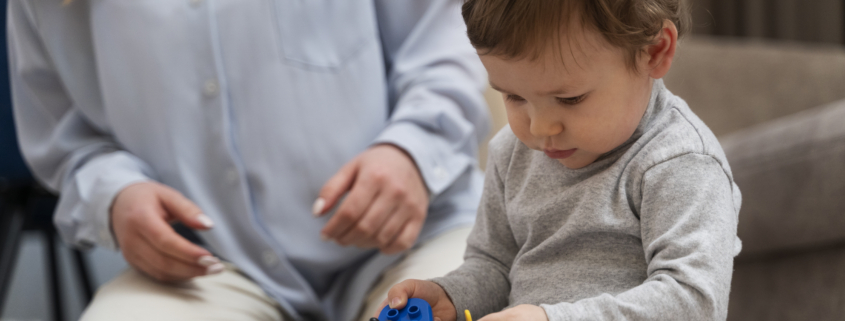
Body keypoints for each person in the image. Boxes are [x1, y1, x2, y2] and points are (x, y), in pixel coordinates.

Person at [8, 0, 489, 320]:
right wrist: (114, 195)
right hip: (209, 267)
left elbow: (449, 47)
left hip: (414, 238)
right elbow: (67, 140)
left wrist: (410, 152)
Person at [381, 0, 743, 320]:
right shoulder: (512, 151)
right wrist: (451, 297)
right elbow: (493, 265)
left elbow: (695, 302)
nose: (540, 128)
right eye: (514, 96)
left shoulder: (679, 162)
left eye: (570, 99)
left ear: (654, 52)